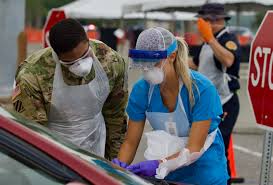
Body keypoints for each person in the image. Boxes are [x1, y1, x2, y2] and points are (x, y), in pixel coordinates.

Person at [112, 27, 228, 185]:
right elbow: (130, 142)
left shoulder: (201, 89)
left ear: (172, 56)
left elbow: (194, 148)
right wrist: (118, 171)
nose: (147, 68)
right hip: (166, 176)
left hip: (204, 174)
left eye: (154, 62)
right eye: (143, 62)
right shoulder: (142, 90)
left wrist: (159, 164)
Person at [12, 18, 128, 160]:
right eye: (71, 62)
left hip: (97, 143)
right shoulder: (32, 75)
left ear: (87, 40)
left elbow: (115, 117)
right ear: (56, 54)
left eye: (85, 55)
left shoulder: (110, 61)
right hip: (53, 149)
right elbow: (33, 134)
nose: (81, 65)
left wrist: (115, 165)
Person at [188, 3, 241, 184]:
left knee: (219, 148)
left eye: (203, 20)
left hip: (225, 102)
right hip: (208, 103)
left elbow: (228, 59)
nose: (200, 24)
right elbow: (195, 64)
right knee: (202, 147)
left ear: (214, 20)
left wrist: (210, 38)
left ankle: (223, 181)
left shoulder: (227, 38)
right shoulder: (206, 42)